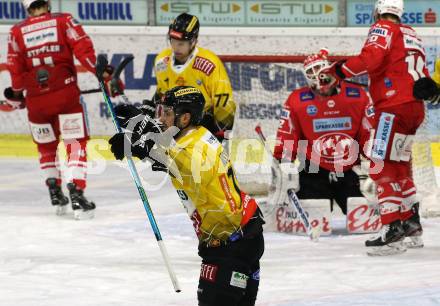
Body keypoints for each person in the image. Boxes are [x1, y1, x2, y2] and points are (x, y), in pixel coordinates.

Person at [108, 86, 264, 306]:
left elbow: (181, 161)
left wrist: (143, 142)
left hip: (230, 245)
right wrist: (137, 143)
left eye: (167, 113)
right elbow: (169, 153)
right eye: (161, 111)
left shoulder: (194, 151)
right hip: (246, 233)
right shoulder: (196, 135)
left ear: (185, 117)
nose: (161, 117)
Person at [321, 0, 427, 254]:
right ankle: (411, 224)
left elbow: (372, 57)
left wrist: (338, 70)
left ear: (380, 10)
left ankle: (391, 230)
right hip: (414, 109)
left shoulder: (383, 27)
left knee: (381, 165)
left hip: (393, 107)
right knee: (400, 166)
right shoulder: (411, 34)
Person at [4, 0, 119, 219]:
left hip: (36, 100)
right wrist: (103, 74)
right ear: (46, 3)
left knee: (46, 147)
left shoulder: (15, 31)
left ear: (26, 7)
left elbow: (15, 68)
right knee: (75, 143)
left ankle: (55, 191)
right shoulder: (63, 20)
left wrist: (18, 93)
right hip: (65, 94)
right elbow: (84, 50)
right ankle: (76, 192)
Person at [273, 48, 372, 216]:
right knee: (315, 219)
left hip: (347, 170)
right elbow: (288, 134)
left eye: (319, 69)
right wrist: (284, 164)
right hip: (312, 171)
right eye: (310, 72)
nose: (317, 76)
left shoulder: (358, 96)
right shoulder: (297, 100)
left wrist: (376, 164)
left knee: (364, 223)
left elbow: (369, 134)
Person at [153, 13, 236, 140]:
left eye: (181, 43)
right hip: (173, 122)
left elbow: (224, 102)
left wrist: (221, 133)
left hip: (202, 123)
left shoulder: (210, 63)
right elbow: (162, 94)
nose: (175, 47)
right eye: (173, 41)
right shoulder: (162, 61)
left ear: (193, 41)